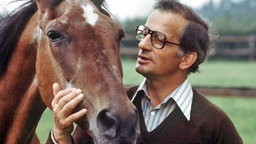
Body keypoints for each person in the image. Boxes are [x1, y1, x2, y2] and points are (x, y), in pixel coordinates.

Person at [47, 0, 243, 143]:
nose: (143, 44)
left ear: (186, 59)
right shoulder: (112, 109)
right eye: (144, 33)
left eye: (158, 39)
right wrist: (60, 135)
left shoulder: (215, 125)